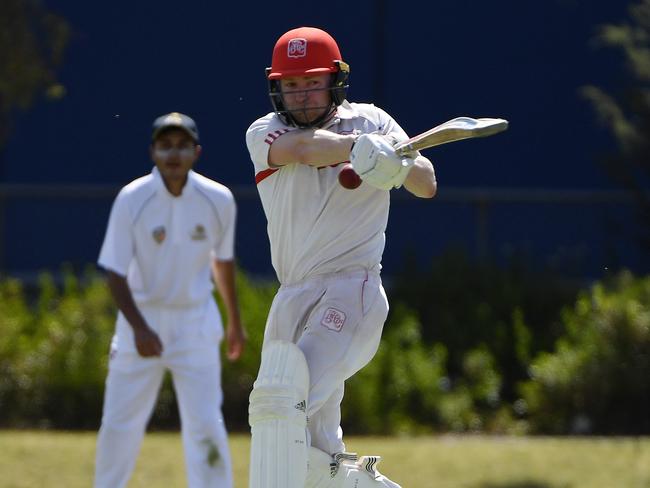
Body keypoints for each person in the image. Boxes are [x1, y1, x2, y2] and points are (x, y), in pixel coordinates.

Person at [245, 27, 436, 488]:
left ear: (335, 80)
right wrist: (358, 149)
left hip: (353, 288)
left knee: (281, 404)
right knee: (310, 450)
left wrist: (397, 161)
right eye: (291, 85)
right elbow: (307, 151)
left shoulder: (374, 121)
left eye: (311, 82)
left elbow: (427, 182)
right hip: (291, 295)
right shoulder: (266, 130)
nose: (302, 96)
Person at [94, 112, 246, 488]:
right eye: (165, 146)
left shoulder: (218, 199)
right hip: (139, 321)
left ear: (196, 152)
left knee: (206, 425)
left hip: (195, 322)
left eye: (182, 146)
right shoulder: (132, 199)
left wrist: (234, 321)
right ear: (153, 151)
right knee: (119, 424)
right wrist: (141, 329)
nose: (173, 154)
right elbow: (114, 270)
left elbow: (222, 262)